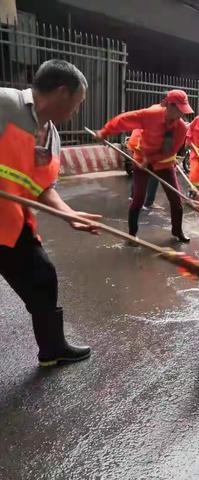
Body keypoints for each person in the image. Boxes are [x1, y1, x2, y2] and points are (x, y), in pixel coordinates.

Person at [0, 59, 101, 367]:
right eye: (78, 102)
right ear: (61, 93)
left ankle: (52, 349)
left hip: (10, 223)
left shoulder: (51, 137)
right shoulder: (6, 104)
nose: (77, 111)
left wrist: (69, 214)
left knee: (42, 276)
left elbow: (43, 187)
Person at [95, 89, 192, 243]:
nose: (182, 115)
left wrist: (151, 159)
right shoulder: (151, 114)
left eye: (183, 111)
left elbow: (169, 151)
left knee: (176, 199)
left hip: (164, 163)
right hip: (141, 161)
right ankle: (132, 235)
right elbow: (125, 119)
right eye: (179, 110)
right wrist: (105, 132)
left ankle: (177, 231)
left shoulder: (180, 128)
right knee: (138, 198)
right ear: (170, 105)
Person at [126, 129, 160, 210]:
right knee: (154, 178)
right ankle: (148, 203)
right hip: (147, 156)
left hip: (137, 156)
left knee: (137, 177)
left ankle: (132, 196)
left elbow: (130, 145)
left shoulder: (137, 128)